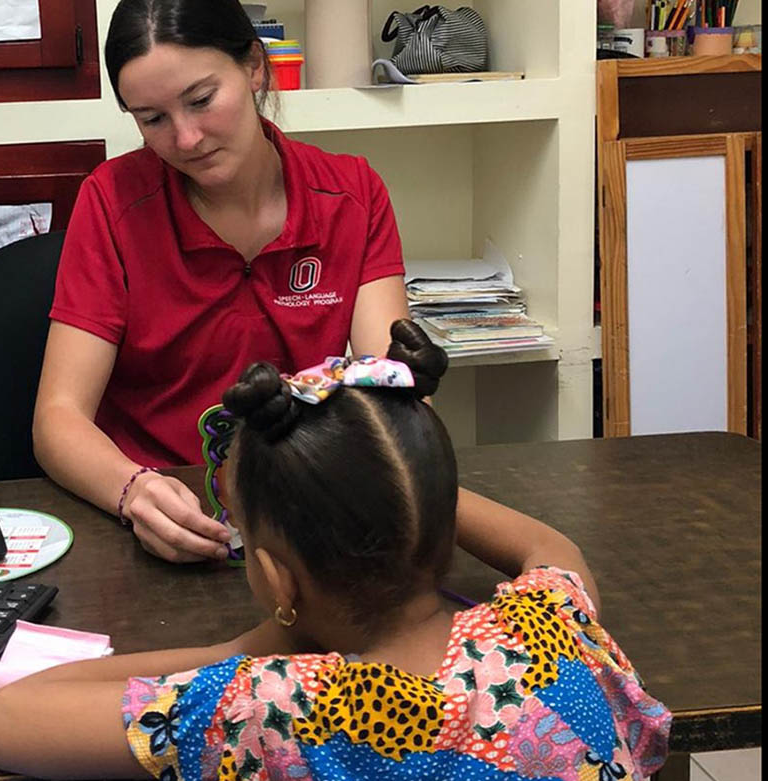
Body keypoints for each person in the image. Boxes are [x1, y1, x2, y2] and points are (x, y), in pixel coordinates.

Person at [0, 320, 671, 781]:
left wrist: (245, 644)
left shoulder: (270, 704)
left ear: (279, 579)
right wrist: (397, 483)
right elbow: (551, 548)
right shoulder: (552, 626)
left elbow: (9, 720)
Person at [35, 0, 573, 569]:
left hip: (310, 513)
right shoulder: (112, 203)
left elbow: (391, 393)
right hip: (163, 520)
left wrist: (404, 396)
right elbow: (58, 419)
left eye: (201, 100)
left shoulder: (352, 195)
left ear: (255, 67)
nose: (187, 139)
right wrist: (135, 491)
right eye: (152, 119)